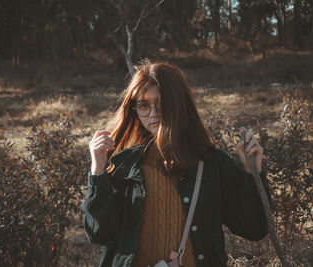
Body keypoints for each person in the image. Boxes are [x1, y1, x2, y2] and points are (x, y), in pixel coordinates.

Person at [81, 60, 270, 267]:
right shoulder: (122, 166)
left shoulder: (212, 163)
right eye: (143, 105)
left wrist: (253, 172)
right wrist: (97, 172)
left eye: (161, 104)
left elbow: (254, 229)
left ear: (179, 104)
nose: (152, 113)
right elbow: (99, 233)